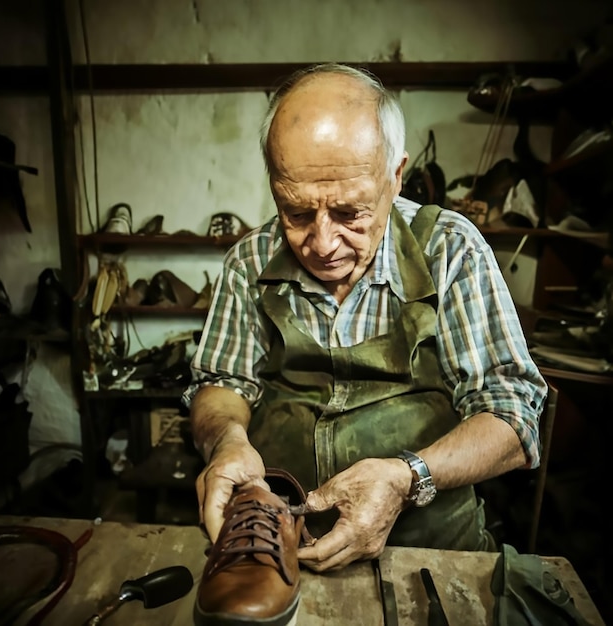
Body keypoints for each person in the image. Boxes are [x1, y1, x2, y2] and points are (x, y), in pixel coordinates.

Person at [182, 62, 548, 572]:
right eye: (298, 213)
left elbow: (512, 416)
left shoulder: (451, 250)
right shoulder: (250, 260)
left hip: (431, 551)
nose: (324, 243)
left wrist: (407, 476)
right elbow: (223, 382)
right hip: (278, 545)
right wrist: (227, 440)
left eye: (350, 213)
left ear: (395, 178)